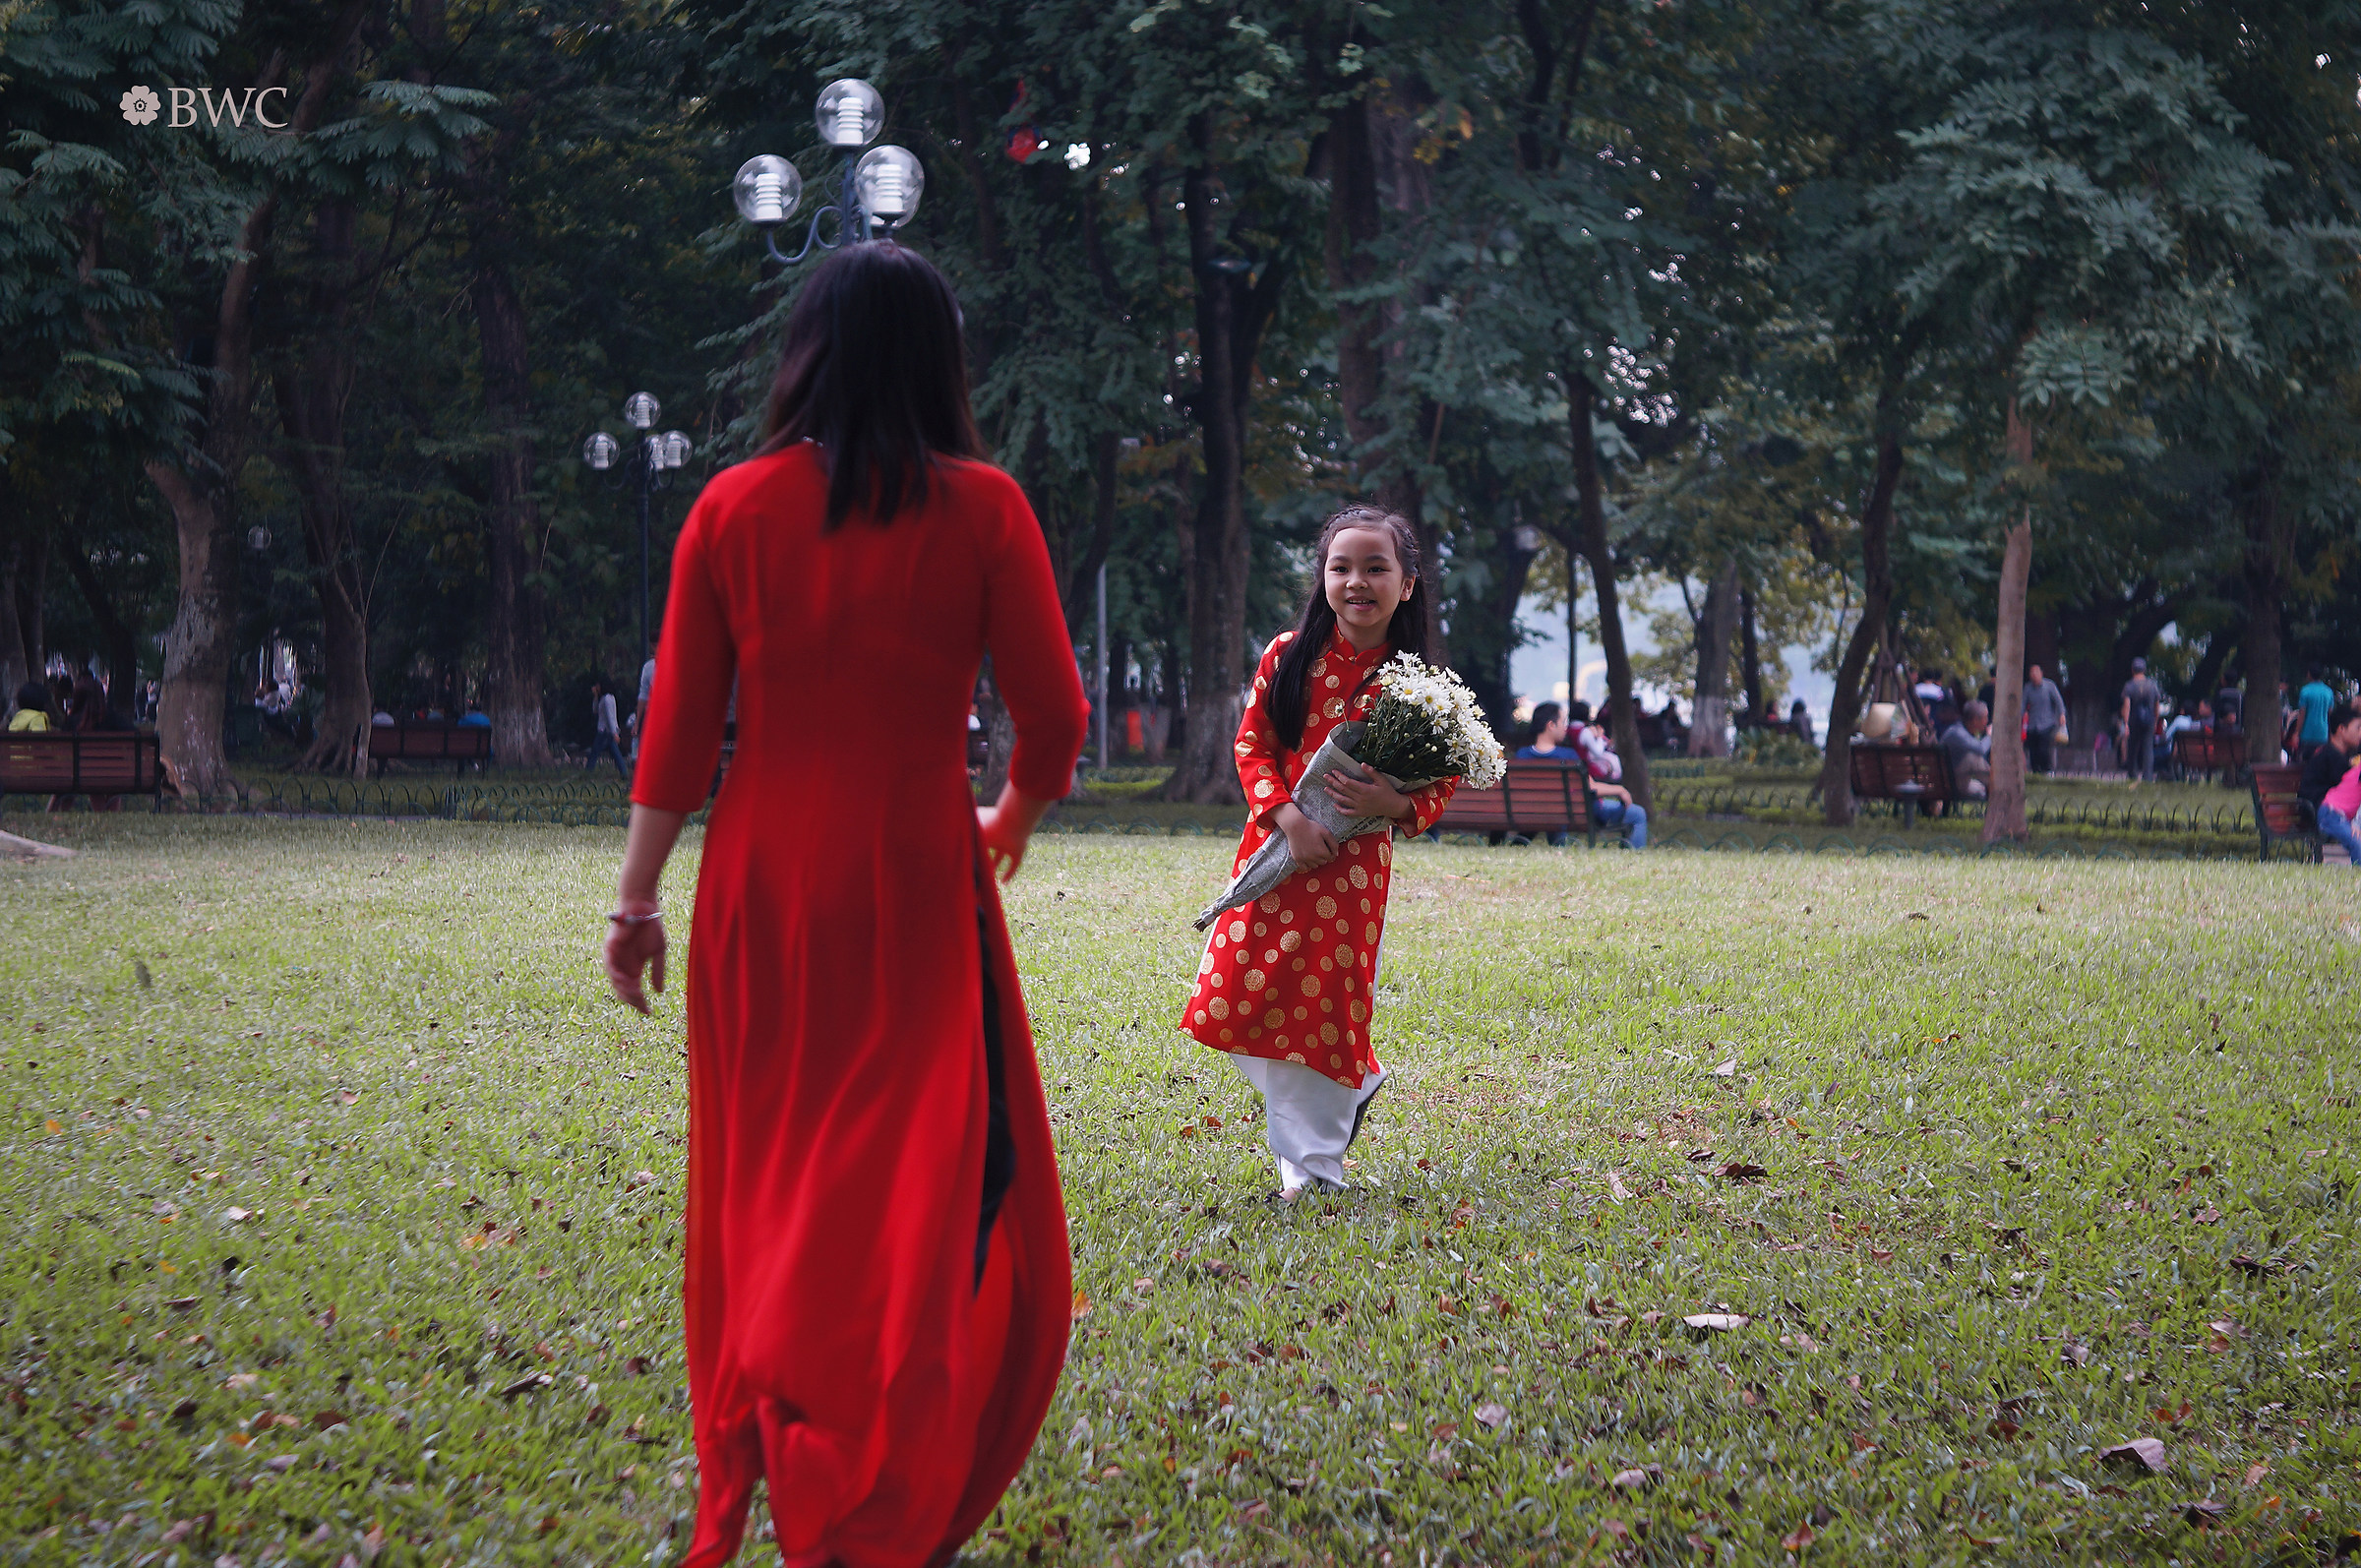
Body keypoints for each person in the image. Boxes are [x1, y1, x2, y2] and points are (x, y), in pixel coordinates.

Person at [598, 243, 1088, 1568]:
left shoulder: (730, 509)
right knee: (910, 1182)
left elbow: (681, 733)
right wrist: (1011, 821)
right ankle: (872, 1463)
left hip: (759, 887)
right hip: (920, 880)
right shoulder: (987, 509)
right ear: (942, 357)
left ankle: (773, 1407)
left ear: (800, 350)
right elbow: (1054, 717)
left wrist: (636, 901)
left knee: (766, 1171)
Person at [1180, 506, 1460, 1202]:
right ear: (1322, 577)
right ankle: (1356, 1082)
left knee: (1325, 1009)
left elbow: (1444, 778)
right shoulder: (1288, 654)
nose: (1357, 582)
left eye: (1376, 568)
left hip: (1351, 874)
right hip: (1273, 852)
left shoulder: (1416, 682)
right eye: (1342, 567)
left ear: (1408, 585)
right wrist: (1287, 819)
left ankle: (1310, 1167)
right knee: (1239, 994)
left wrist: (1392, 807)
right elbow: (1252, 745)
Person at [1564, 699, 1650, 847]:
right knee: (1638, 813)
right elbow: (1590, 782)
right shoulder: (1583, 735)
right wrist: (1598, 738)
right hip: (1587, 805)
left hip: (1562, 807)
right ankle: (1636, 852)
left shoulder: (1564, 744)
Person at [2300, 702, 2361, 867]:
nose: (2360, 734)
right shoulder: (2331, 757)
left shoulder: (2339, 755)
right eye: (2358, 728)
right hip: (2317, 809)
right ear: (2341, 729)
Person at [1514, 700, 1579, 846]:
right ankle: (1559, 847)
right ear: (1551, 725)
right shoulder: (1568, 756)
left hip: (1527, 812)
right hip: (1560, 813)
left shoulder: (1521, 755)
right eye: (1563, 722)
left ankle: (1519, 843)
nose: (1565, 727)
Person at [1939, 699, 1994, 799]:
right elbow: (1980, 749)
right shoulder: (1958, 734)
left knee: (1980, 788)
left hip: (1953, 781)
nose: (1987, 721)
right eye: (1985, 718)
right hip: (1950, 785)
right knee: (1973, 758)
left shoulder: (1958, 730)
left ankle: (1995, 784)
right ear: (1975, 720)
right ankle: (1997, 785)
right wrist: (1990, 735)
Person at [2119, 657, 2161, 785]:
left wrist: (2125, 723)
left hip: (2134, 721)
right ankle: (2148, 778)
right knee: (2148, 749)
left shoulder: (2129, 686)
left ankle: (2132, 774)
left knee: (2132, 748)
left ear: (2132, 670)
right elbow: (2157, 705)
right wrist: (2155, 721)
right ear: (2144, 670)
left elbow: (2127, 705)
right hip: (2149, 720)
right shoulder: (2152, 685)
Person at [2022, 663, 2065, 775]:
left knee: (2043, 749)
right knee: (2033, 751)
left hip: (2047, 723)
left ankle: (2047, 770)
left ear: (2041, 673)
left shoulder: (2049, 686)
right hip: (2032, 724)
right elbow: (2022, 705)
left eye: (2036, 672)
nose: (2034, 675)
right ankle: (2036, 771)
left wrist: (2062, 714)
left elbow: (2058, 701)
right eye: (2032, 672)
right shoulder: (2027, 688)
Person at [585, 681, 628, 781]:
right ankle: (624, 773)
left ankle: (587, 773)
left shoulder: (608, 699)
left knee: (595, 752)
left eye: (598, 685)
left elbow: (610, 717)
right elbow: (595, 711)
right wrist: (595, 696)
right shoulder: (603, 699)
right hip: (606, 731)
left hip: (605, 731)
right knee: (615, 753)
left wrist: (614, 733)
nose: (597, 687)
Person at [2294, 667, 2334, 761]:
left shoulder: (2305, 691)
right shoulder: (2328, 692)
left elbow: (2302, 715)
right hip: (2322, 735)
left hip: (2307, 736)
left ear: (2309, 674)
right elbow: (2329, 715)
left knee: (2304, 764)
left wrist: (2297, 733)